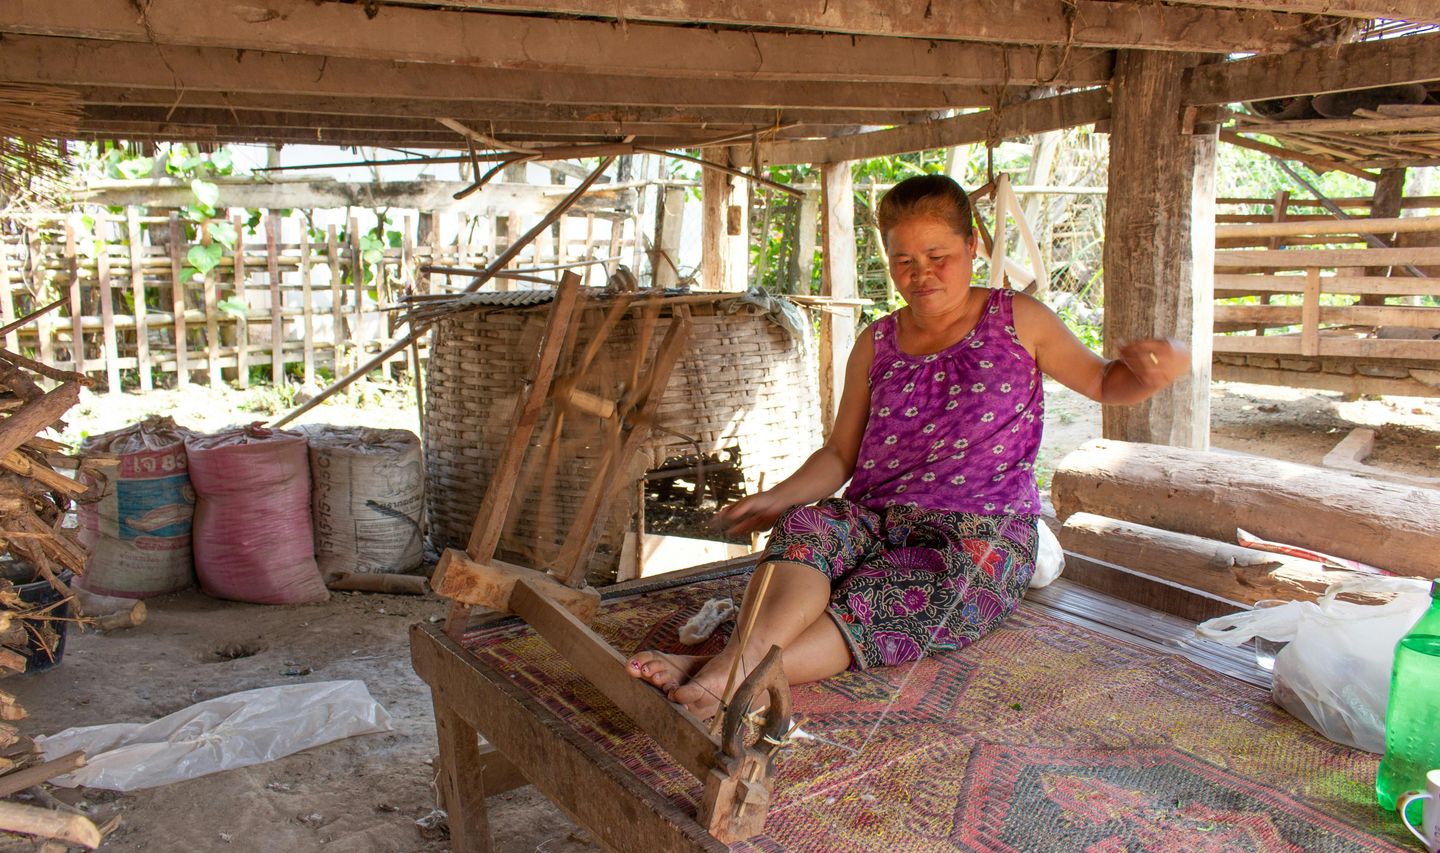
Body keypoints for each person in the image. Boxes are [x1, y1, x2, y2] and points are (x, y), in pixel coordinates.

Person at [628, 174, 1189, 719]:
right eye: (904, 261)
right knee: (809, 526)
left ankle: (721, 672)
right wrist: (779, 497)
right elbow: (838, 456)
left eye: (938, 255)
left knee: (900, 592)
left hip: (981, 534)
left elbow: (1105, 383)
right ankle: (736, 666)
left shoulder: (1020, 320)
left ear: (972, 245)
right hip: (877, 518)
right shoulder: (877, 342)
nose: (921, 274)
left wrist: (1151, 374)